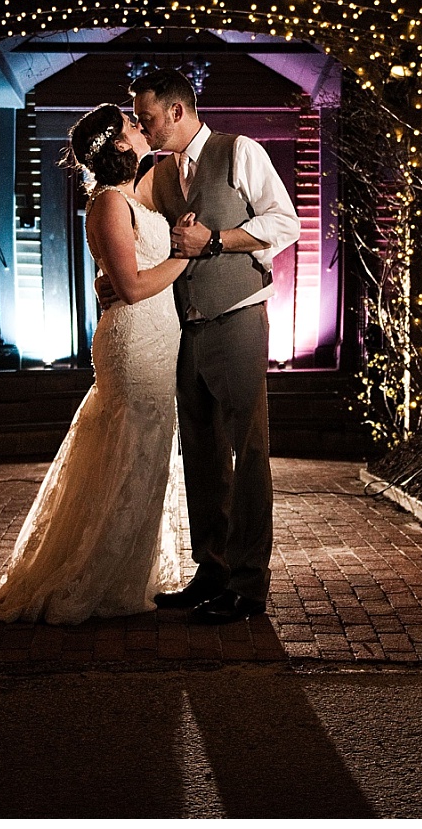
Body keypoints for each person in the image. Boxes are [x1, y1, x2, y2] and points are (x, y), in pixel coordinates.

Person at [0, 105, 191, 625]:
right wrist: (186, 256)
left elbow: (121, 274)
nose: (140, 126)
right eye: (132, 124)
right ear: (121, 146)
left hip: (159, 340)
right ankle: (94, 575)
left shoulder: (133, 196)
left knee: (147, 456)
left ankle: (131, 569)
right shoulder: (107, 202)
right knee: (128, 451)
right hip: (134, 343)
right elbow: (128, 287)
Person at [120, 67, 300, 625]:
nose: (143, 129)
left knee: (248, 452)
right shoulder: (160, 172)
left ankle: (249, 586)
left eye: (146, 118)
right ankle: (213, 570)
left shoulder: (237, 150)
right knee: (199, 453)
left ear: (176, 111)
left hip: (238, 317)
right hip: (186, 328)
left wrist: (217, 240)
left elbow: (285, 222)